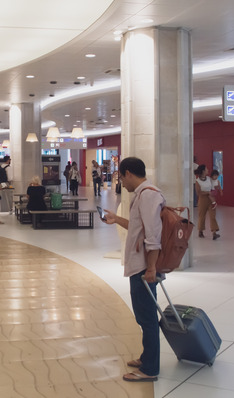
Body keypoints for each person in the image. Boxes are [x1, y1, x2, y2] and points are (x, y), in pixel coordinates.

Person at [102, 157, 164, 383]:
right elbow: (138, 227)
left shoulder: (148, 195)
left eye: (121, 177)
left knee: (147, 318)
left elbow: (153, 236)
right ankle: (147, 356)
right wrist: (116, 219)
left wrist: (151, 268)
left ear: (128, 173)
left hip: (144, 267)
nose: (121, 183)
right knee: (143, 316)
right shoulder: (142, 195)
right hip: (139, 265)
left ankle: (150, 369)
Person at [195, 165, 220, 240]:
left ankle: (214, 232)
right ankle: (200, 231)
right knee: (202, 216)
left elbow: (214, 185)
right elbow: (198, 192)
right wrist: (207, 192)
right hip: (202, 200)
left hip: (211, 199)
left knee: (213, 216)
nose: (208, 170)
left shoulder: (209, 179)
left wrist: (216, 189)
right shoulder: (197, 181)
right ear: (203, 171)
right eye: (206, 169)